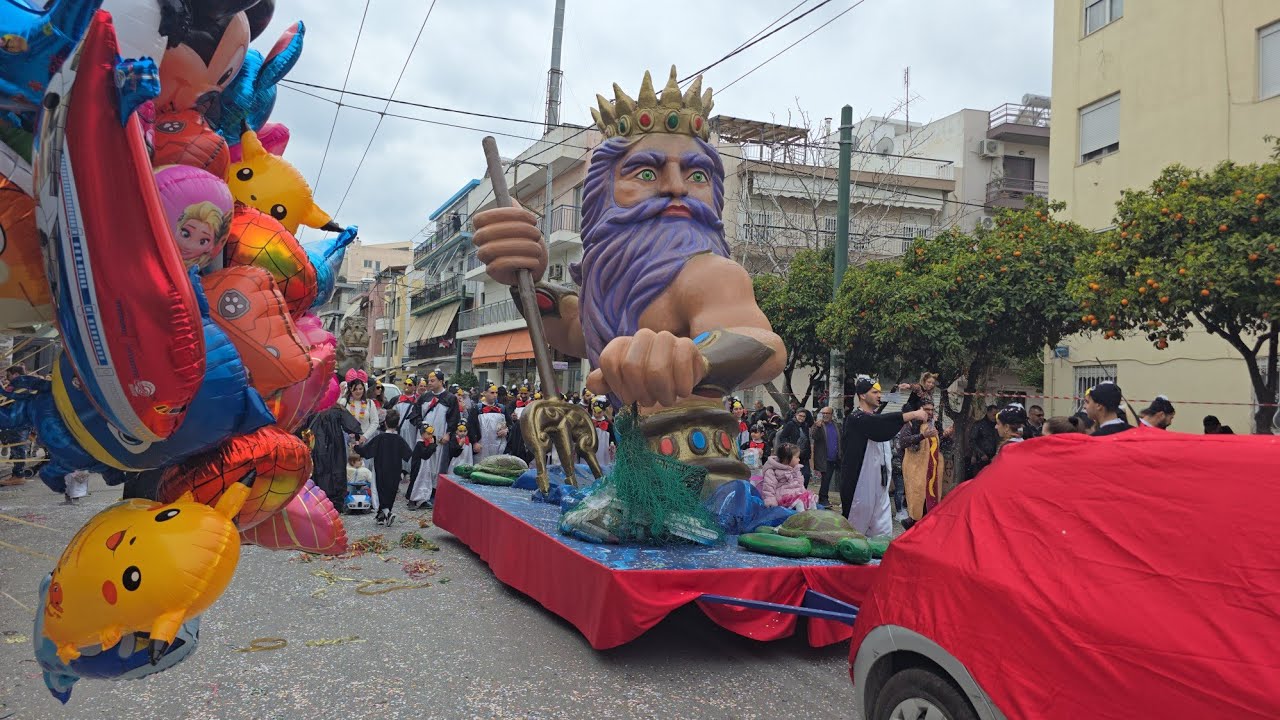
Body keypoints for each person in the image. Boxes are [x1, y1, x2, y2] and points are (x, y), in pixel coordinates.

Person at [471, 66, 787, 494]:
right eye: (646, 173)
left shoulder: (712, 274)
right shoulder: (612, 285)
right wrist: (526, 275)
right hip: (632, 471)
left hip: (705, 479)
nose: (677, 188)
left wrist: (691, 358)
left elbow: (764, 345)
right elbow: (574, 330)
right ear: (603, 192)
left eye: (697, 176)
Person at [841, 376, 929, 535]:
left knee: (882, 533)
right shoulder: (855, 418)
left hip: (880, 485)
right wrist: (914, 414)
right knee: (854, 533)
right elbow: (880, 426)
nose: (879, 396)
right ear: (862, 395)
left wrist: (915, 391)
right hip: (860, 486)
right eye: (874, 392)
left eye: (880, 392)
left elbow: (891, 419)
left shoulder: (874, 417)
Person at [408, 369, 457, 508]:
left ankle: (433, 493)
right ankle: (417, 495)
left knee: (436, 466)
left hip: (440, 437)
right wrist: (421, 428)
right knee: (422, 466)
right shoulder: (424, 397)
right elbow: (415, 414)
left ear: (441, 381)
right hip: (423, 437)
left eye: (432, 380)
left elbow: (453, 418)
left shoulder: (450, 398)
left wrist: (448, 433)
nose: (429, 383)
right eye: (429, 380)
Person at [355, 409, 413, 525]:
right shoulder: (400, 440)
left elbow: (366, 452)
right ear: (397, 424)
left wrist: (357, 446)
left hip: (381, 468)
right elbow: (408, 454)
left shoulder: (380, 439)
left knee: (379, 490)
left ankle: (386, 512)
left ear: (385, 423)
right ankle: (383, 515)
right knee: (391, 491)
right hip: (395, 469)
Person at [305, 403, 363, 512]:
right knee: (336, 472)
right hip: (335, 447)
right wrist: (357, 435)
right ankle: (335, 505)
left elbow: (301, 428)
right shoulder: (337, 409)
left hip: (317, 447)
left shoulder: (311, 409)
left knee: (320, 473)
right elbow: (351, 425)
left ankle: (319, 502)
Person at [895, 399, 944, 521]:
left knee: (931, 500)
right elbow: (903, 442)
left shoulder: (933, 424)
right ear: (919, 410)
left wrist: (945, 435)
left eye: (932, 410)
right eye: (927, 409)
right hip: (915, 470)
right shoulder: (910, 424)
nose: (930, 412)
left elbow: (934, 444)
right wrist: (922, 436)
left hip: (931, 470)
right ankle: (912, 525)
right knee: (917, 501)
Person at [760, 443, 816, 511]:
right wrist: (771, 501)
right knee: (799, 504)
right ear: (787, 458)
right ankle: (801, 519)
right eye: (797, 457)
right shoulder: (772, 471)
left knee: (811, 500)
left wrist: (804, 493)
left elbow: (800, 484)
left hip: (797, 495)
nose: (799, 460)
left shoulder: (796, 469)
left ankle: (814, 517)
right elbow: (768, 487)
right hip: (783, 498)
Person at [468, 384, 510, 459]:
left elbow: (511, 425)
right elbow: (471, 427)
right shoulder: (477, 409)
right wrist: (474, 442)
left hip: (500, 446)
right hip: (482, 446)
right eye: (492, 393)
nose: (495, 395)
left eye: (496, 393)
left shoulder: (502, 408)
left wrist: (507, 431)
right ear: (485, 393)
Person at [810, 406, 841, 508]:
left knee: (837, 479)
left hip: (836, 457)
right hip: (825, 458)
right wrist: (817, 427)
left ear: (832, 415)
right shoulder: (819, 425)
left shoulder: (836, 425)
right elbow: (814, 436)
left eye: (827, 413)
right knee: (826, 479)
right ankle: (823, 500)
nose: (825, 415)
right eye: (823, 413)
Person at [341, 369, 379, 448]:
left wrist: (365, 436)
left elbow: (375, 422)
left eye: (360, 389)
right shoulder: (344, 402)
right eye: (355, 389)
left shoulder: (370, 403)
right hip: (348, 442)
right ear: (350, 389)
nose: (358, 391)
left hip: (365, 442)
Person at [407, 424, 441, 510]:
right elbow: (425, 455)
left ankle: (423, 500)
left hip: (426, 468)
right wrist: (432, 445)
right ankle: (412, 500)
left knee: (425, 482)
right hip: (419, 468)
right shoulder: (419, 444)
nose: (430, 436)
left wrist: (432, 445)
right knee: (416, 483)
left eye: (431, 434)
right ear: (422, 434)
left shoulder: (428, 443)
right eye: (428, 434)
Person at [775, 409, 811, 486]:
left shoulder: (805, 426)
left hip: (804, 455)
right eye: (800, 415)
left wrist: (809, 453)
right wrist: (789, 448)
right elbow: (783, 437)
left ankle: (803, 492)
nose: (802, 418)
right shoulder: (790, 424)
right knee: (794, 476)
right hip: (793, 454)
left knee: (806, 475)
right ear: (796, 415)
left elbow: (807, 440)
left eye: (804, 416)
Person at [967, 405, 999, 479]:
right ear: (988, 413)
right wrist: (981, 454)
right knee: (980, 479)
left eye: (996, 415)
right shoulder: (979, 425)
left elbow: (999, 440)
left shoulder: (997, 425)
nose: (995, 417)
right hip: (981, 459)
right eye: (994, 415)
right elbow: (972, 441)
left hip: (993, 458)